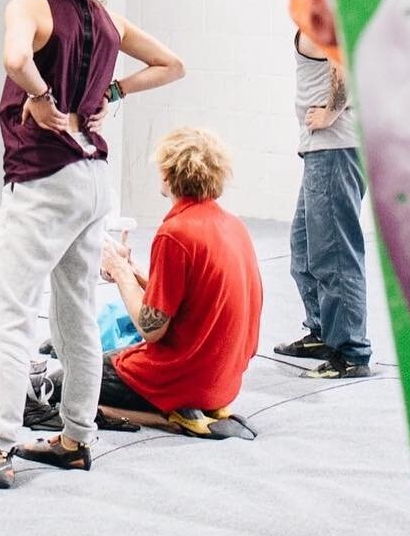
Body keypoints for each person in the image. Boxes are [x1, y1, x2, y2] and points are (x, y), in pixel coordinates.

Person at [0, 0, 184, 487]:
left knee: (10, 313)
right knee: (74, 312)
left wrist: (41, 98)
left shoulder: (29, 9)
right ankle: (75, 438)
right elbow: (173, 64)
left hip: (44, 178)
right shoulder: (109, 19)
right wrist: (113, 90)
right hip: (94, 176)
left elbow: (17, 61)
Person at [26, 126, 263, 431]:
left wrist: (122, 273)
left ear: (167, 173)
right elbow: (193, 298)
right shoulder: (232, 225)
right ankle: (176, 411)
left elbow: (151, 329)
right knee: (104, 359)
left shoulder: (176, 233)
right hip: (223, 381)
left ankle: (165, 417)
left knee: (66, 381)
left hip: (184, 379)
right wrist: (136, 273)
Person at [273, 30, 372, 378]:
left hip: (334, 147)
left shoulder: (324, 16)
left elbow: (341, 60)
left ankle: (351, 353)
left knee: (335, 254)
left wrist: (331, 112)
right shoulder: (318, 13)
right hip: (323, 151)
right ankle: (322, 331)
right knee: (303, 250)